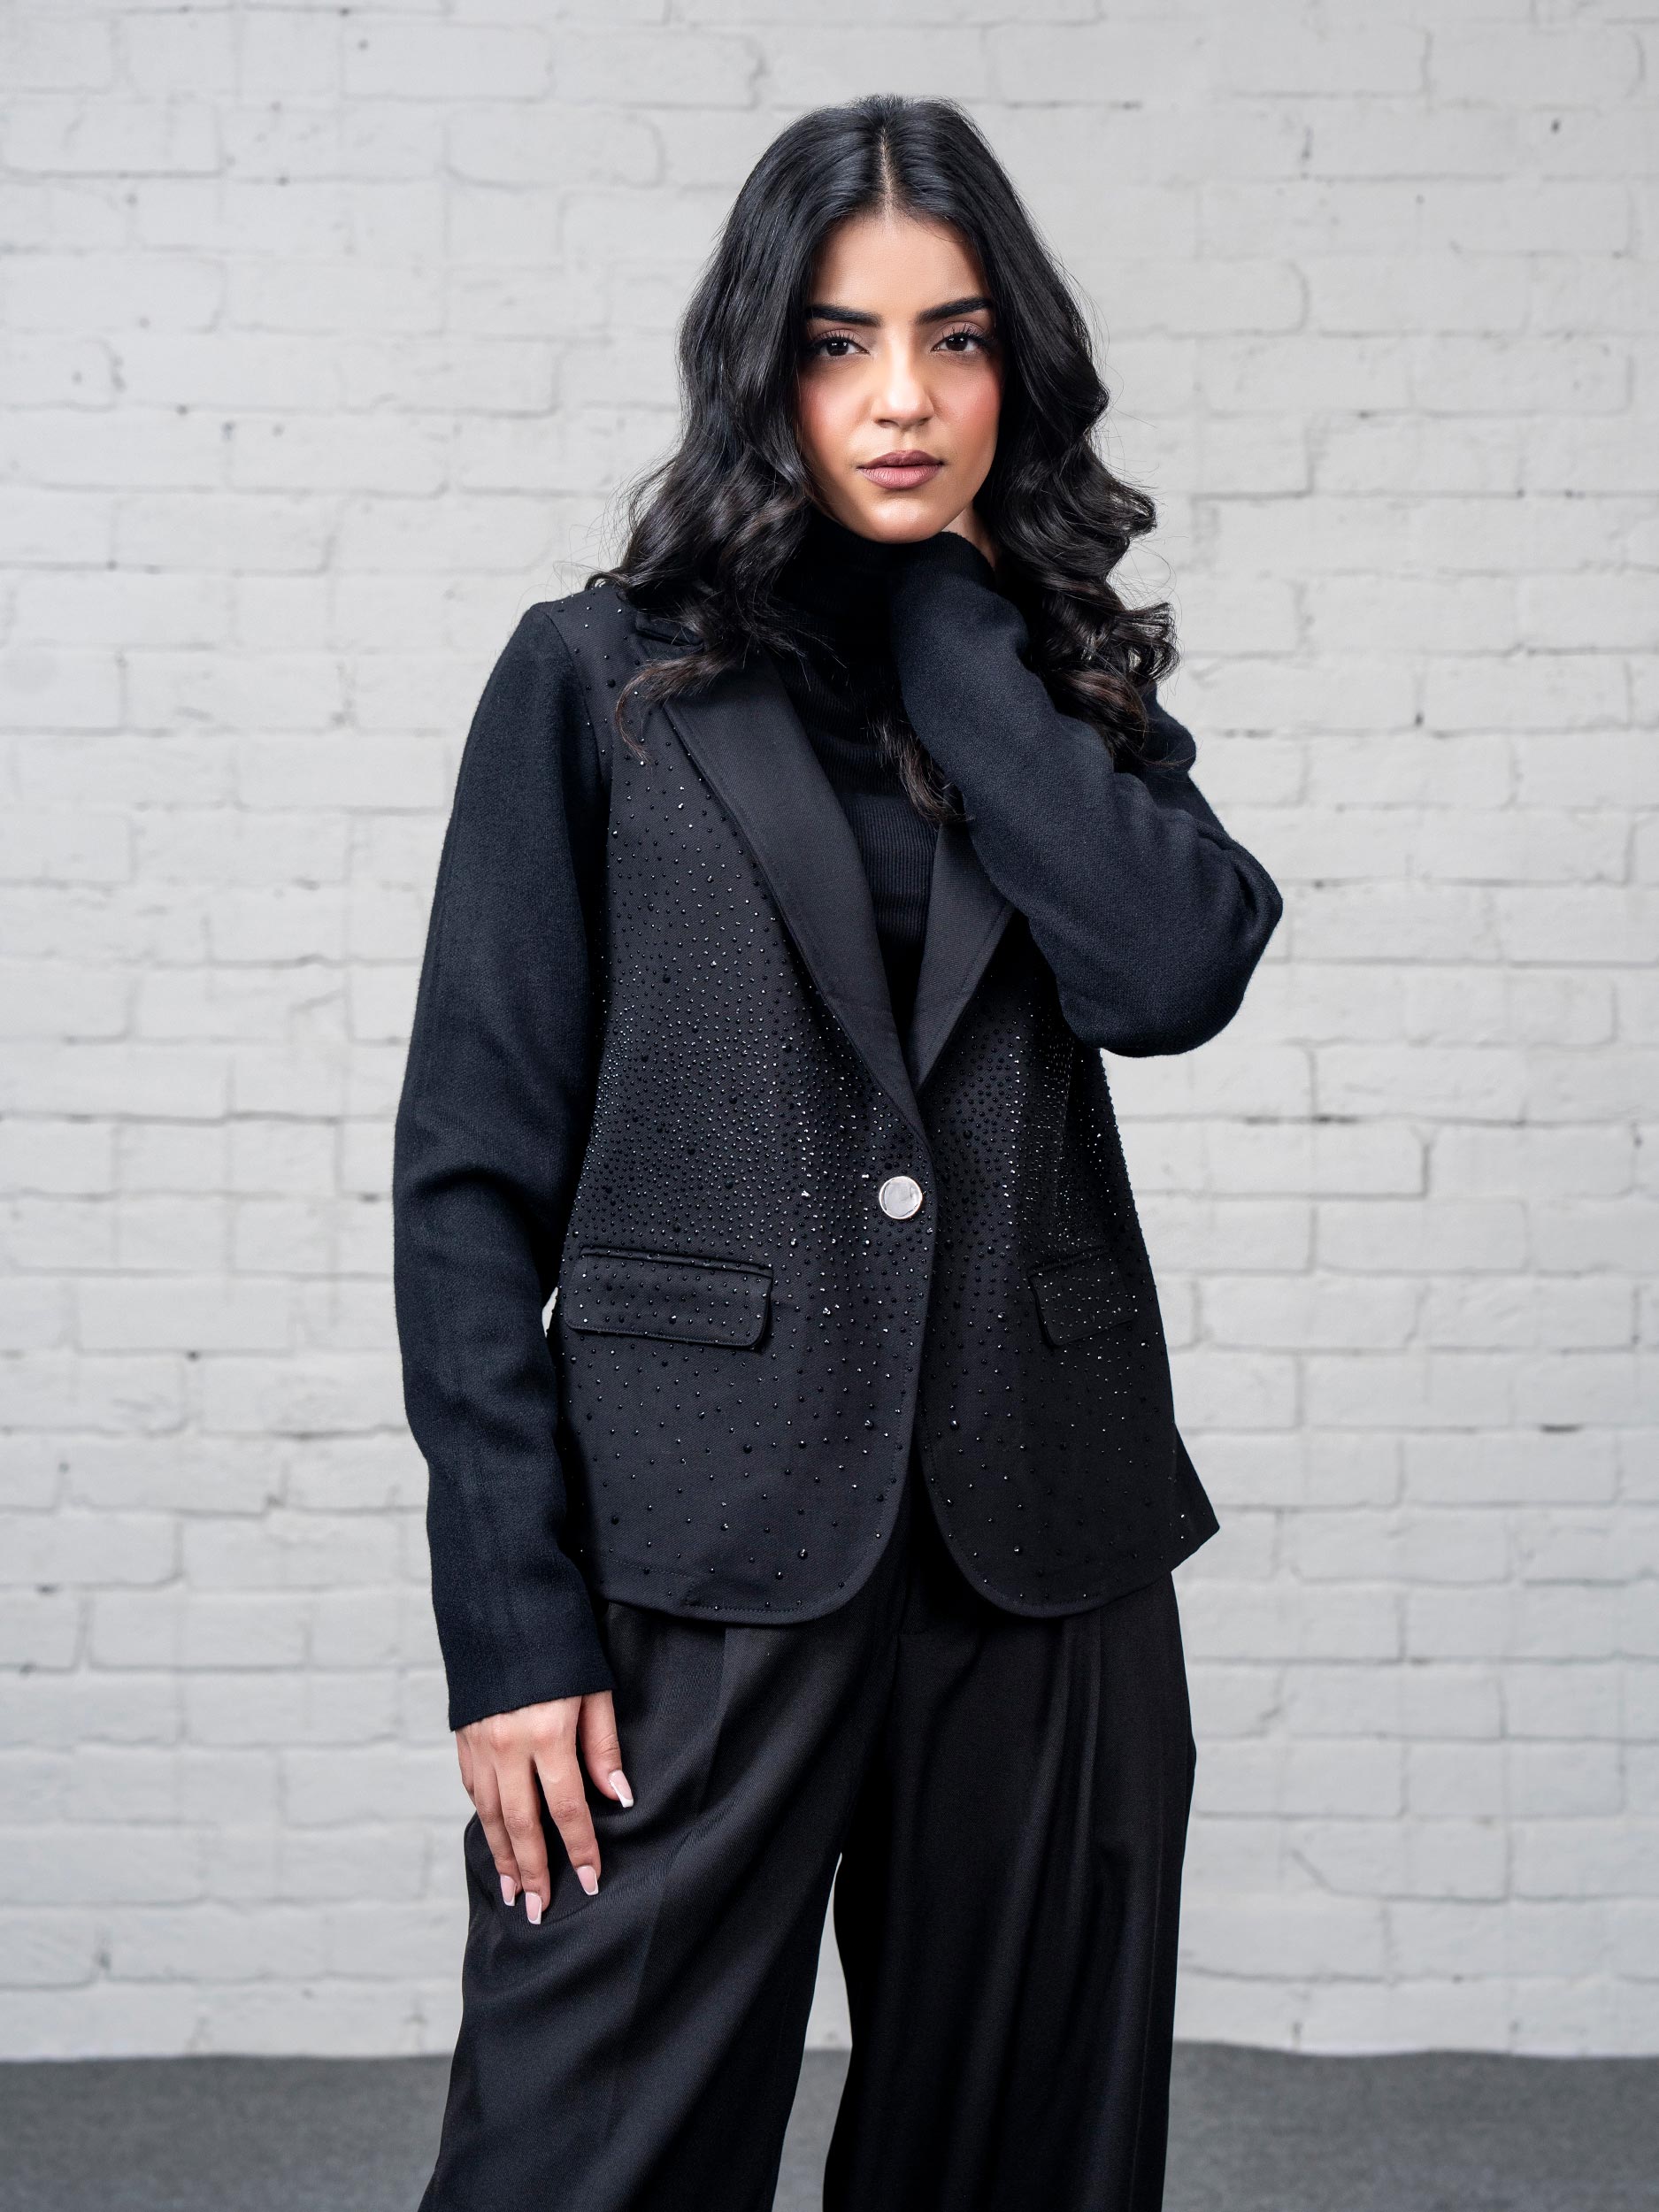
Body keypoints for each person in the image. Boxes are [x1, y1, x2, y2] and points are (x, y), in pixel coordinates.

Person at [393, 92, 1283, 2212]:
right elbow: (467, 1182)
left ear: (1012, 367)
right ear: (758, 364)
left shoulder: (1052, 684)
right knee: (580, 2162)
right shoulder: (594, 679)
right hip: (694, 1552)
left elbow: (1171, 967)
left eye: (953, 340)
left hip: (1039, 1549)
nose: (900, 398)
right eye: (836, 341)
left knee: (1020, 2165)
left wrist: (954, 634)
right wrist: (511, 1626)